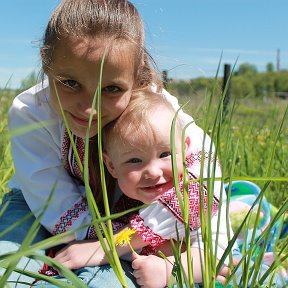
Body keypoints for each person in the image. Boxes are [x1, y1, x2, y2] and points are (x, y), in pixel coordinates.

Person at [0, 1, 229, 287]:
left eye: (112, 89)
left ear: (136, 76)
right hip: (37, 205)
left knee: (103, 280)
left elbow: (206, 176)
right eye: (70, 83)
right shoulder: (30, 111)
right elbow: (53, 205)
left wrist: (115, 245)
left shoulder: (154, 107)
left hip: (133, 207)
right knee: (7, 266)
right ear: (47, 61)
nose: (88, 108)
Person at [43, 90, 233, 288]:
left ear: (185, 148)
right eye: (134, 160)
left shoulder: (192, 199)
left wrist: (168, 269)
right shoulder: (117, 199)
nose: (152, 171)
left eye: (165, 154)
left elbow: (213, 254)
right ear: (111, 166)